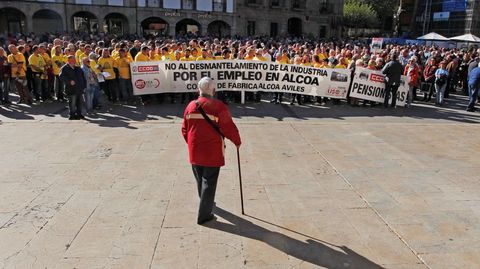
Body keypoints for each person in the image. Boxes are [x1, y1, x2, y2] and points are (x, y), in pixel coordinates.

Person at [181, 77, 241, 225]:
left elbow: (184, 129)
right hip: (212, 151)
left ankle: (204, 202)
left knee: (199, 178)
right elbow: (228, 127)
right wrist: (237, 141)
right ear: (213, 90)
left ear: (198, 90)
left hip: (195, 149)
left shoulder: (190, 106)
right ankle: (204, 215)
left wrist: (191, 143)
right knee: (209, 181)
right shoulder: (219, 106)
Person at [60, 55, 86, 120]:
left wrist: (84, 86)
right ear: (68, 60)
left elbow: (83, 77)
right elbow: (61, 77)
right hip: (71, 89)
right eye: (72, 60)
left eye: (74, 60)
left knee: (79, 103)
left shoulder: (78, 68)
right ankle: (72, 115)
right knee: (72, 103)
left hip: (79, 88)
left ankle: (79, 114)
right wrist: (69, 81)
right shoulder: (65, 68)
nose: (74, 61)